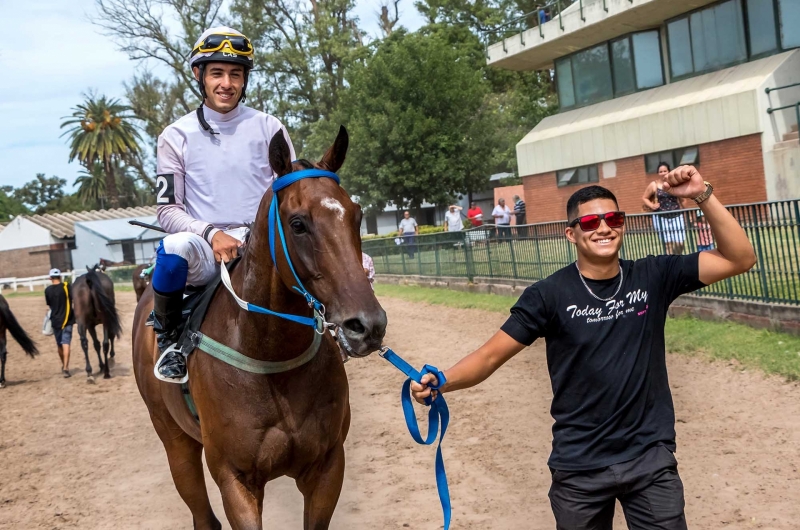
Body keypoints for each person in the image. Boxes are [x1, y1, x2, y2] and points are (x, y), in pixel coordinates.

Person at [411, 166, 756, 529]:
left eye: (613, 218)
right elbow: (489, 355)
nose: (604, 228)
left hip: (649, 459)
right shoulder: (547, 295)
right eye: (590, 222)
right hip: (579, 467)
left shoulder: (654, 276)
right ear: (571, 234)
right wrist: (442, 381)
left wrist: (702, 194)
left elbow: (740, 258)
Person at [150, 26, 296, 382]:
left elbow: (292, 195)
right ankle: (170, 340)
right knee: (172, 249)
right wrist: (211, 233)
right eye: (217, 73)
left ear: (245, 80)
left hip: (263, 245)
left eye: (235, 74)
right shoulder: (174, 136)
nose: (226, 83)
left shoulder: (269, 127)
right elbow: (167, 210)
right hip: (206, 248)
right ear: (199, 75)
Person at [643, 162, 688, 256]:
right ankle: (671, 265)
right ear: (658, 173)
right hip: (661, 218)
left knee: (680, 243)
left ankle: (676, 258)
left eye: (665, 171)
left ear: (669, 171)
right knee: (668, 244)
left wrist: (687, 213)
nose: (663, 173)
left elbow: (682, 199)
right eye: (660, 171)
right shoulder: (654, 184)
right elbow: (644, 198)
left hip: (676, 216)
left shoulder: (674, 184)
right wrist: (652, 206)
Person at [44, 269, 74, 378]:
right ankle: (66, 367)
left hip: (55, 321)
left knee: (59, 344)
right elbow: (73, 298)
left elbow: (49, 304)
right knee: (66, 343)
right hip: (67, 320)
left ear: (50, 278)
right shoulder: (67, 287)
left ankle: (64, 365)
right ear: (60, 277)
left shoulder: (47, 290)